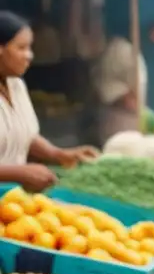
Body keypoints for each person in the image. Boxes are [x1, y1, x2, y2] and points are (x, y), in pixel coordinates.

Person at [0, 12, 98, 191]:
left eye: (30, 48)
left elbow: (25, 135)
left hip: (12, 200)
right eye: (21, 48)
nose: (29, 55)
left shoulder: (16, 86)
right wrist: (19, 173)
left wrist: (59, 154)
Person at [94, 29, 149, 142]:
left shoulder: (121, 52)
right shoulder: (114, 51)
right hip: (118, 121)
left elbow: (133, 100)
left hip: (123, 123)